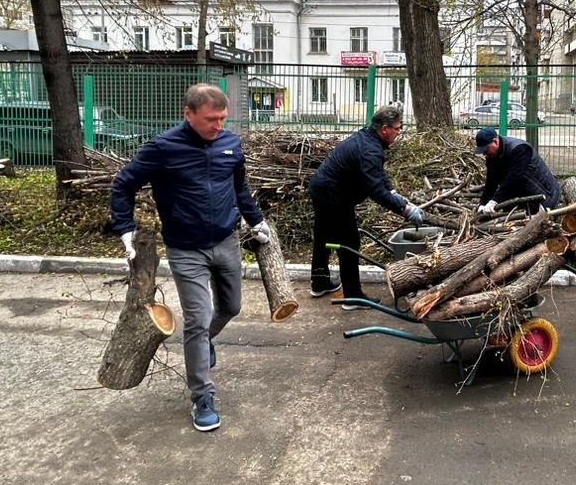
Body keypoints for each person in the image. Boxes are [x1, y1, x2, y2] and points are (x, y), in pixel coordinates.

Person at [109, 83, 270, 434]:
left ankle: (205, 342)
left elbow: (239, 186)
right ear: (189, 114)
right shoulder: (163, 148)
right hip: (186, 249)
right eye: (211, 119)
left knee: (231, 307)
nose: (219, 126)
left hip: (226, 241)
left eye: (223, 119)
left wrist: (255, 220)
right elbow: (123, 184)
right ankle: (202, 395)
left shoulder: (229, 144)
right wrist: (124, 227)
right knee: (197, 320)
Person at [308, 106, 423, 302]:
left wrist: (395, 194)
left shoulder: (368, 138)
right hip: (333, 195)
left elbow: (377, 175)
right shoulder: (370, 149)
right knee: (349, 242)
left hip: (322, 188)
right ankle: (352, 296)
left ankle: (319, 283)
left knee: (323, 237)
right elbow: (376, 191)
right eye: (397, 128)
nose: (399, 132)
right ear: (385, 129)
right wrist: (404, 209)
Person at [473, 127, 562, 216]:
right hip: (523, 197)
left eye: (486, 149)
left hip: (546, 197)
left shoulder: (520, 149)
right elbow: (491, 183)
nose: (484, 153)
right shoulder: (492, 157)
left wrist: (494, 201)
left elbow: (513, 178)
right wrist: (483, 203)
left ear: (495, 141)